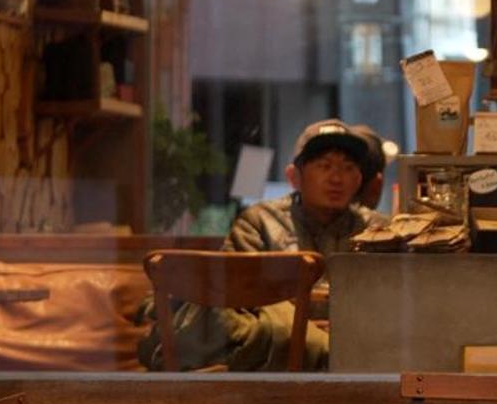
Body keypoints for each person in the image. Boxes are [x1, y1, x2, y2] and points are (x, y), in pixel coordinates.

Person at [138, 119, 388, 372]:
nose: (336, 178)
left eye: (348, 168)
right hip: (277, 358)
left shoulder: (378, 230)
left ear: (359, 179)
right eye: (324, 166)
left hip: (354, 349)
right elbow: (233, 304)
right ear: (294, 177)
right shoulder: (258, 222)